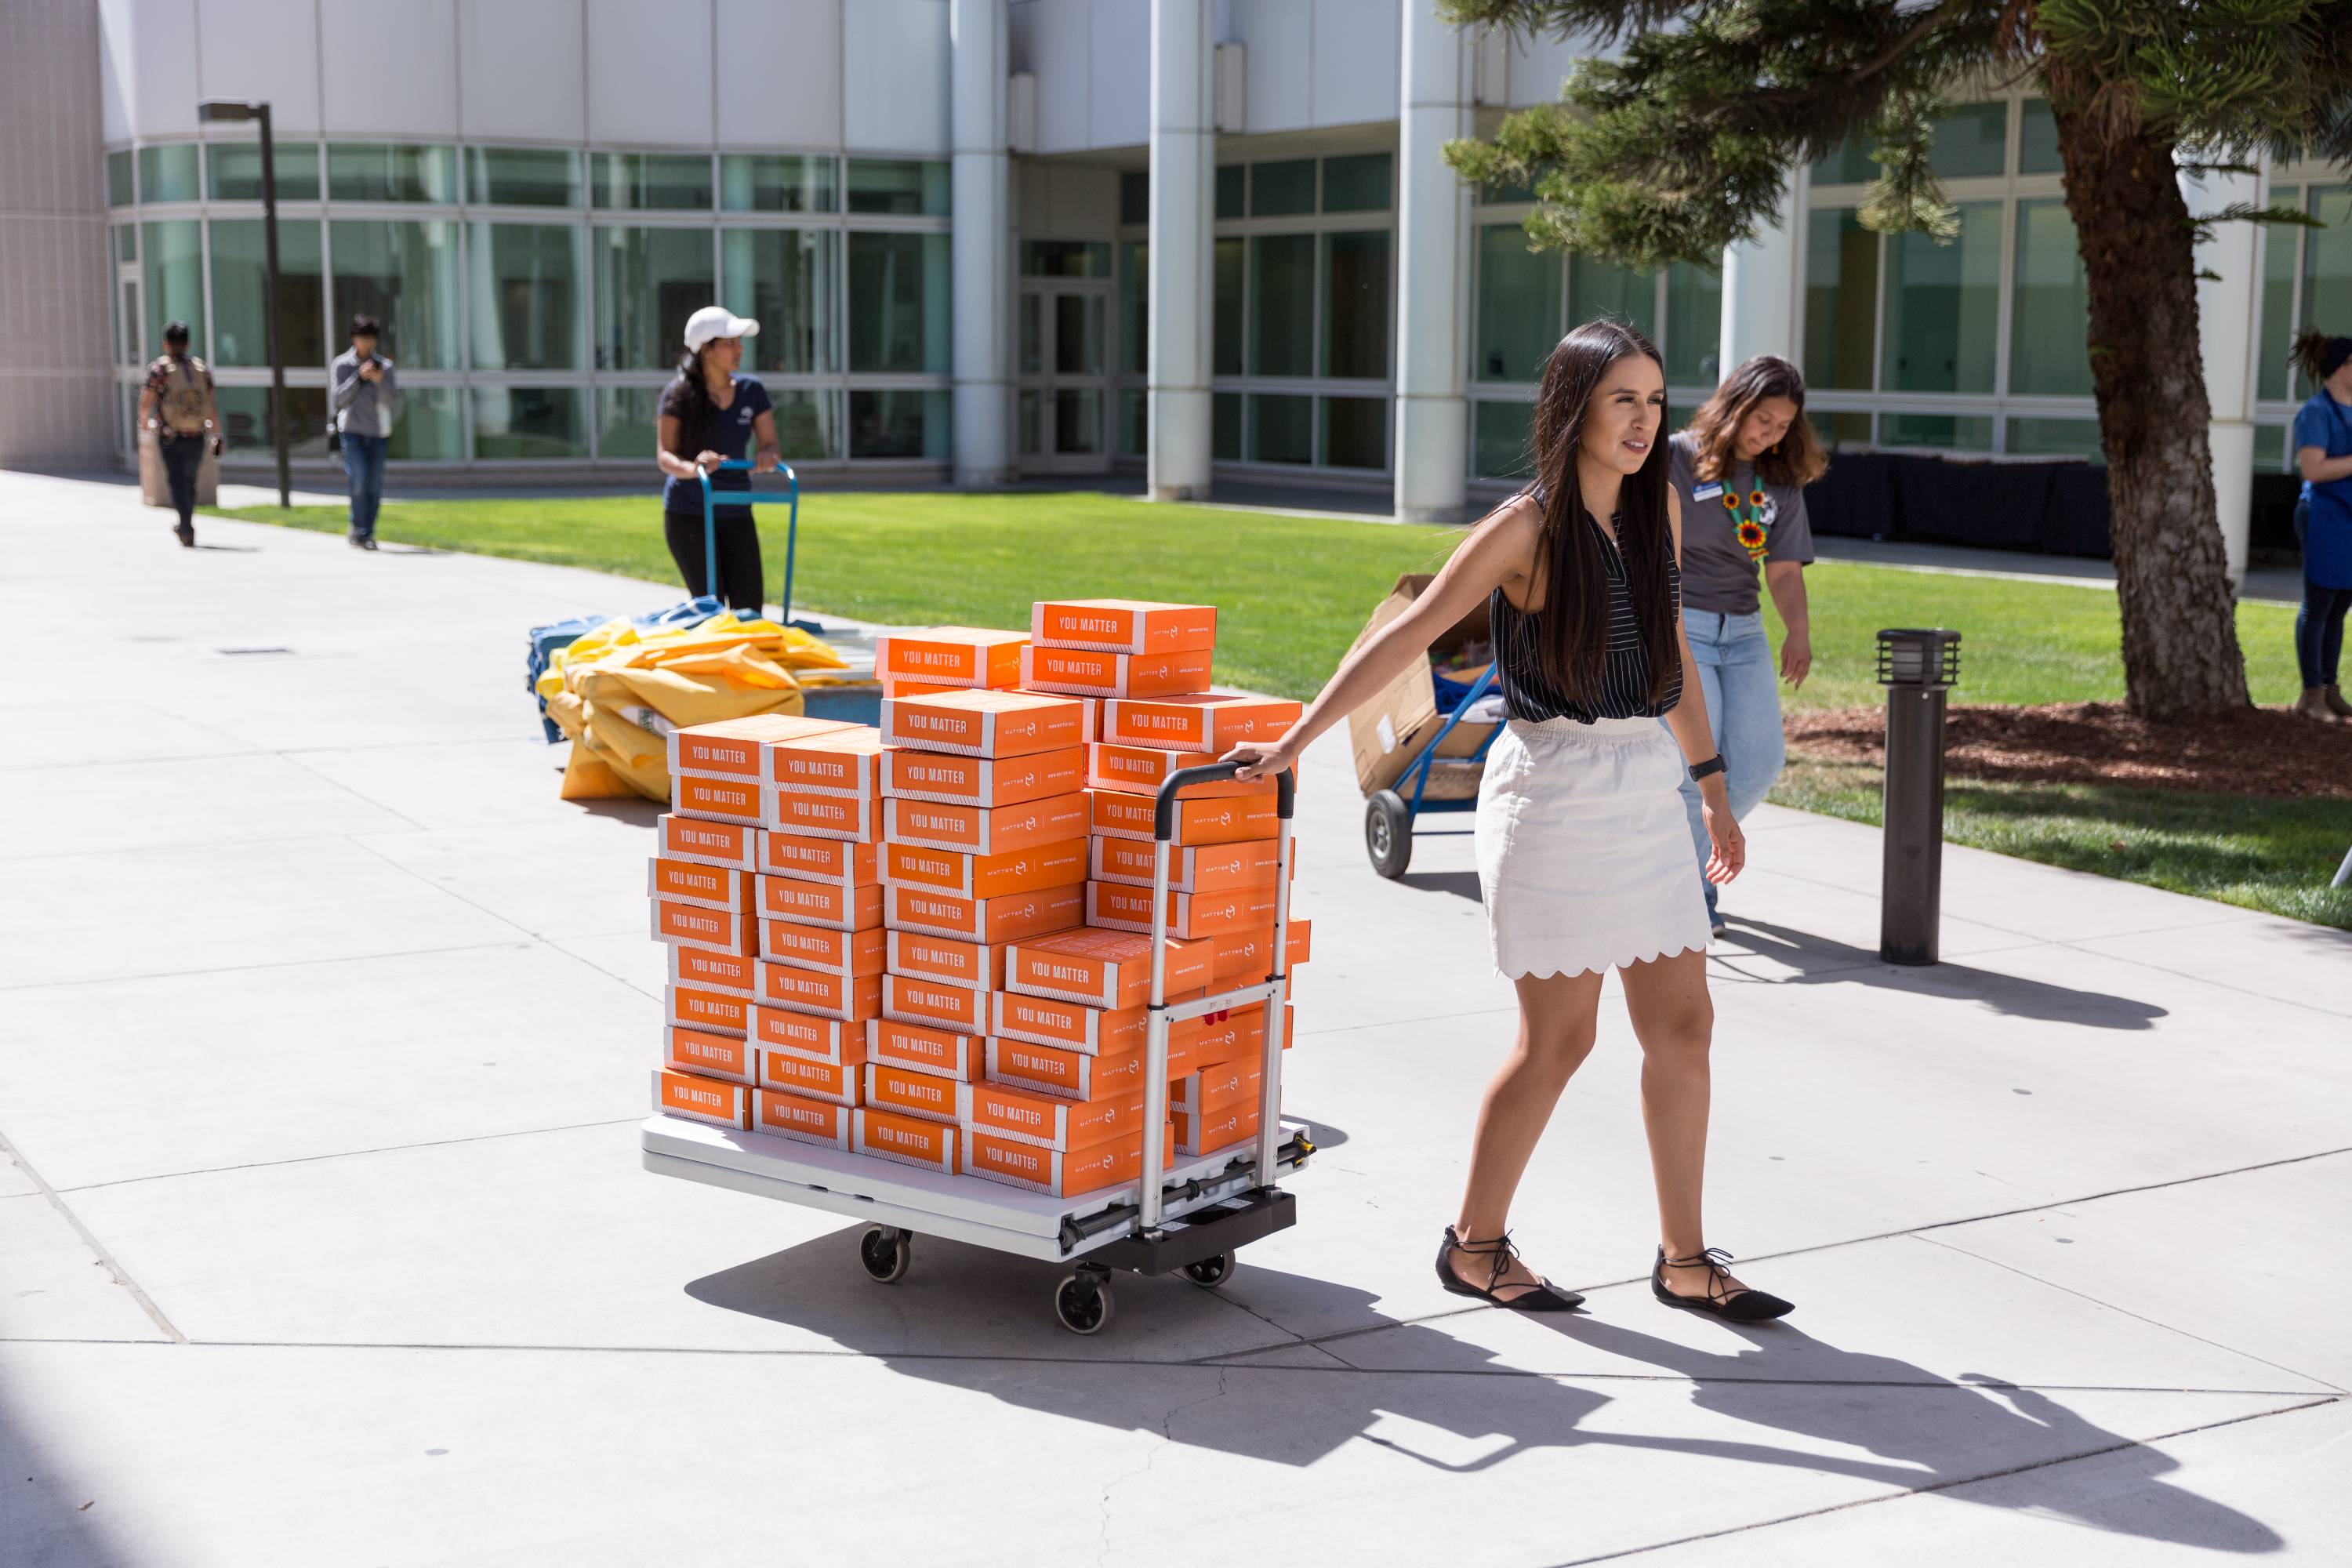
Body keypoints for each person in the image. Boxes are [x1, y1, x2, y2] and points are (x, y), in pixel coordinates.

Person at [1226, 320, 1794, 1323]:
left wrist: (1710, 785)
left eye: (1655, 401)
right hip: (1553, 792)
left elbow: (1666, 648)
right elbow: (1405, 631)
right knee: (1558, 1042)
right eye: (1623, 399)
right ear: (1575, 407)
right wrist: (1294, 741)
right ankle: (1475, 1244)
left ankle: (1685, 1257)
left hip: (1643, 785)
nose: (1643, 419)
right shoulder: (1524, 528)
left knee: (1685, 1026)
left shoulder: (1658, 505)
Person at [1665, 355, 1828, 933]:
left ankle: (1680, 858)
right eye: (1762, 419)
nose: (1771, 434)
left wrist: (1799, 632)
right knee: (1695, 768)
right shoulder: (1677, 458)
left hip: (1745, 631)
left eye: (1783, 425)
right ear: (1735, 406)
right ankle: (1691, 899)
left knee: (1758, 763)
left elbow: (1784, 571)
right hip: (1683, 626)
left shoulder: (1779, 480)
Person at [655, 305, 779, 613]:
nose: (740, 349)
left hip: (736, 509)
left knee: (749, 609)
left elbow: (770, 444)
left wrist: (767, 455)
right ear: (706, 350)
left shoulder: (752, 390)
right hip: (690, 512)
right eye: (730, 343)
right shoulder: (679, 394)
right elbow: (665, 456)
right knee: (711, 608)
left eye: (739, 342)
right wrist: (693, 467)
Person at [2289, 329, 2352, 723]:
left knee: (2341, 607)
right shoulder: (2316, 412)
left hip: (2348, 518)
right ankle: (2311, 695)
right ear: (2342, 367)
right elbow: (2313, 469)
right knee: (2319, 606)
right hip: (2324, 516)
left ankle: (2330, 689)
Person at [137, 320, 222, 548]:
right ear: (188, 343)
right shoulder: (201, 369)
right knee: (190, 481)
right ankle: (187, 522)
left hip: (170, 435)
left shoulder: (160, 369)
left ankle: (185, 526)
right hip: (197, 434)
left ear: (166, 344)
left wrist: (144, 422)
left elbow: (147, 398)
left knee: (175, 481)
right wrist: (217, 433)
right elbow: (211, 403)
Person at [329, 314, 399, 550]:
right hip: (352, 430)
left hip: (379, 431)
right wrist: (359, 378)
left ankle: (367, 532)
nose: (366, 343)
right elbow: (339, 399)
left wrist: (379, 381)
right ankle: (359, 530)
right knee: (359, 479)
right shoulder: (342, 365)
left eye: (370, 338)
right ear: (353, 338)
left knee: (374, 484)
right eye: (361, 338)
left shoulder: (386, 367)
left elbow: (391, 403)